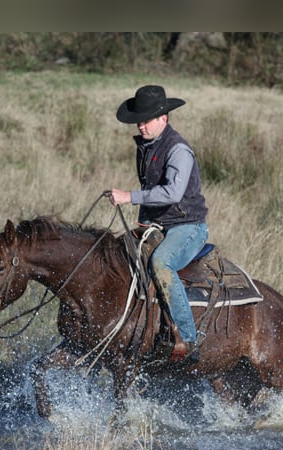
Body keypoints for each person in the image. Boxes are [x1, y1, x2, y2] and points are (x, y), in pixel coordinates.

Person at [109, 85, 208, 364]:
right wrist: (143, 219)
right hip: (159, 224)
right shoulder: (147, 146)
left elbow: (173, 193)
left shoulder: (178, 149)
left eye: (146, 120)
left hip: (188, 226)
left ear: (163, 118)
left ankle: (189, 340)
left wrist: (129, 197)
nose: (141, 125)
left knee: (161, 264)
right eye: (138, 120)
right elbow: (151, 188)